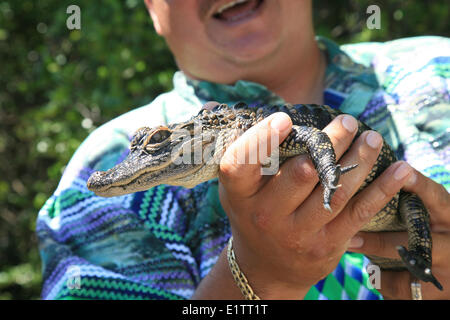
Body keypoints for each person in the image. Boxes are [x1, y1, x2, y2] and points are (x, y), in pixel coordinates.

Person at [37, 0, 450, 300]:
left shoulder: (440, 68)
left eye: (156, 144)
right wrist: (258, 279)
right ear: (150, 7)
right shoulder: (97, 171)